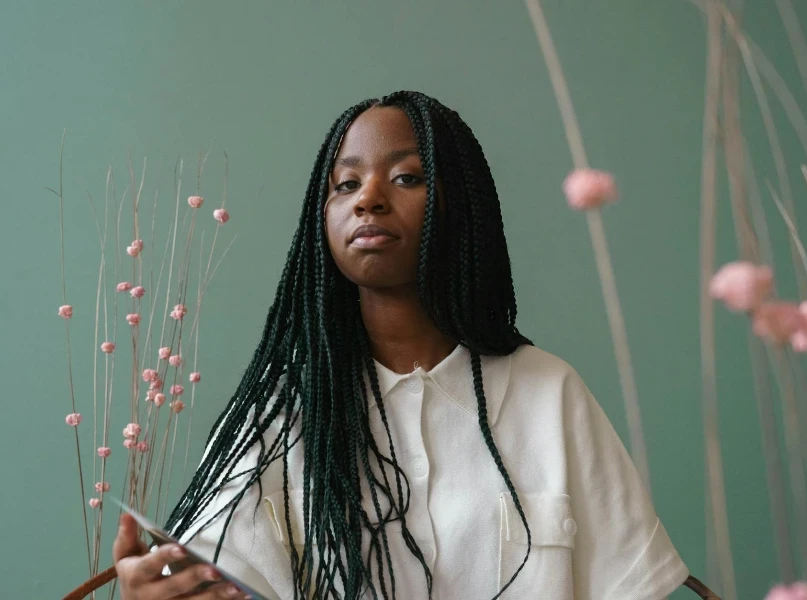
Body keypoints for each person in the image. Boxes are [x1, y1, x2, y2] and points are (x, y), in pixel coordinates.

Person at [113, 91, 689, 600]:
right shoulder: (278, 412)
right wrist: (157, 594)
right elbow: (206, 582)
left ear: (460, 206)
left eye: (407, 177)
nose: (369, 199)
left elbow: (630, 581)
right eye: (346, 184)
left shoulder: (551, 394)